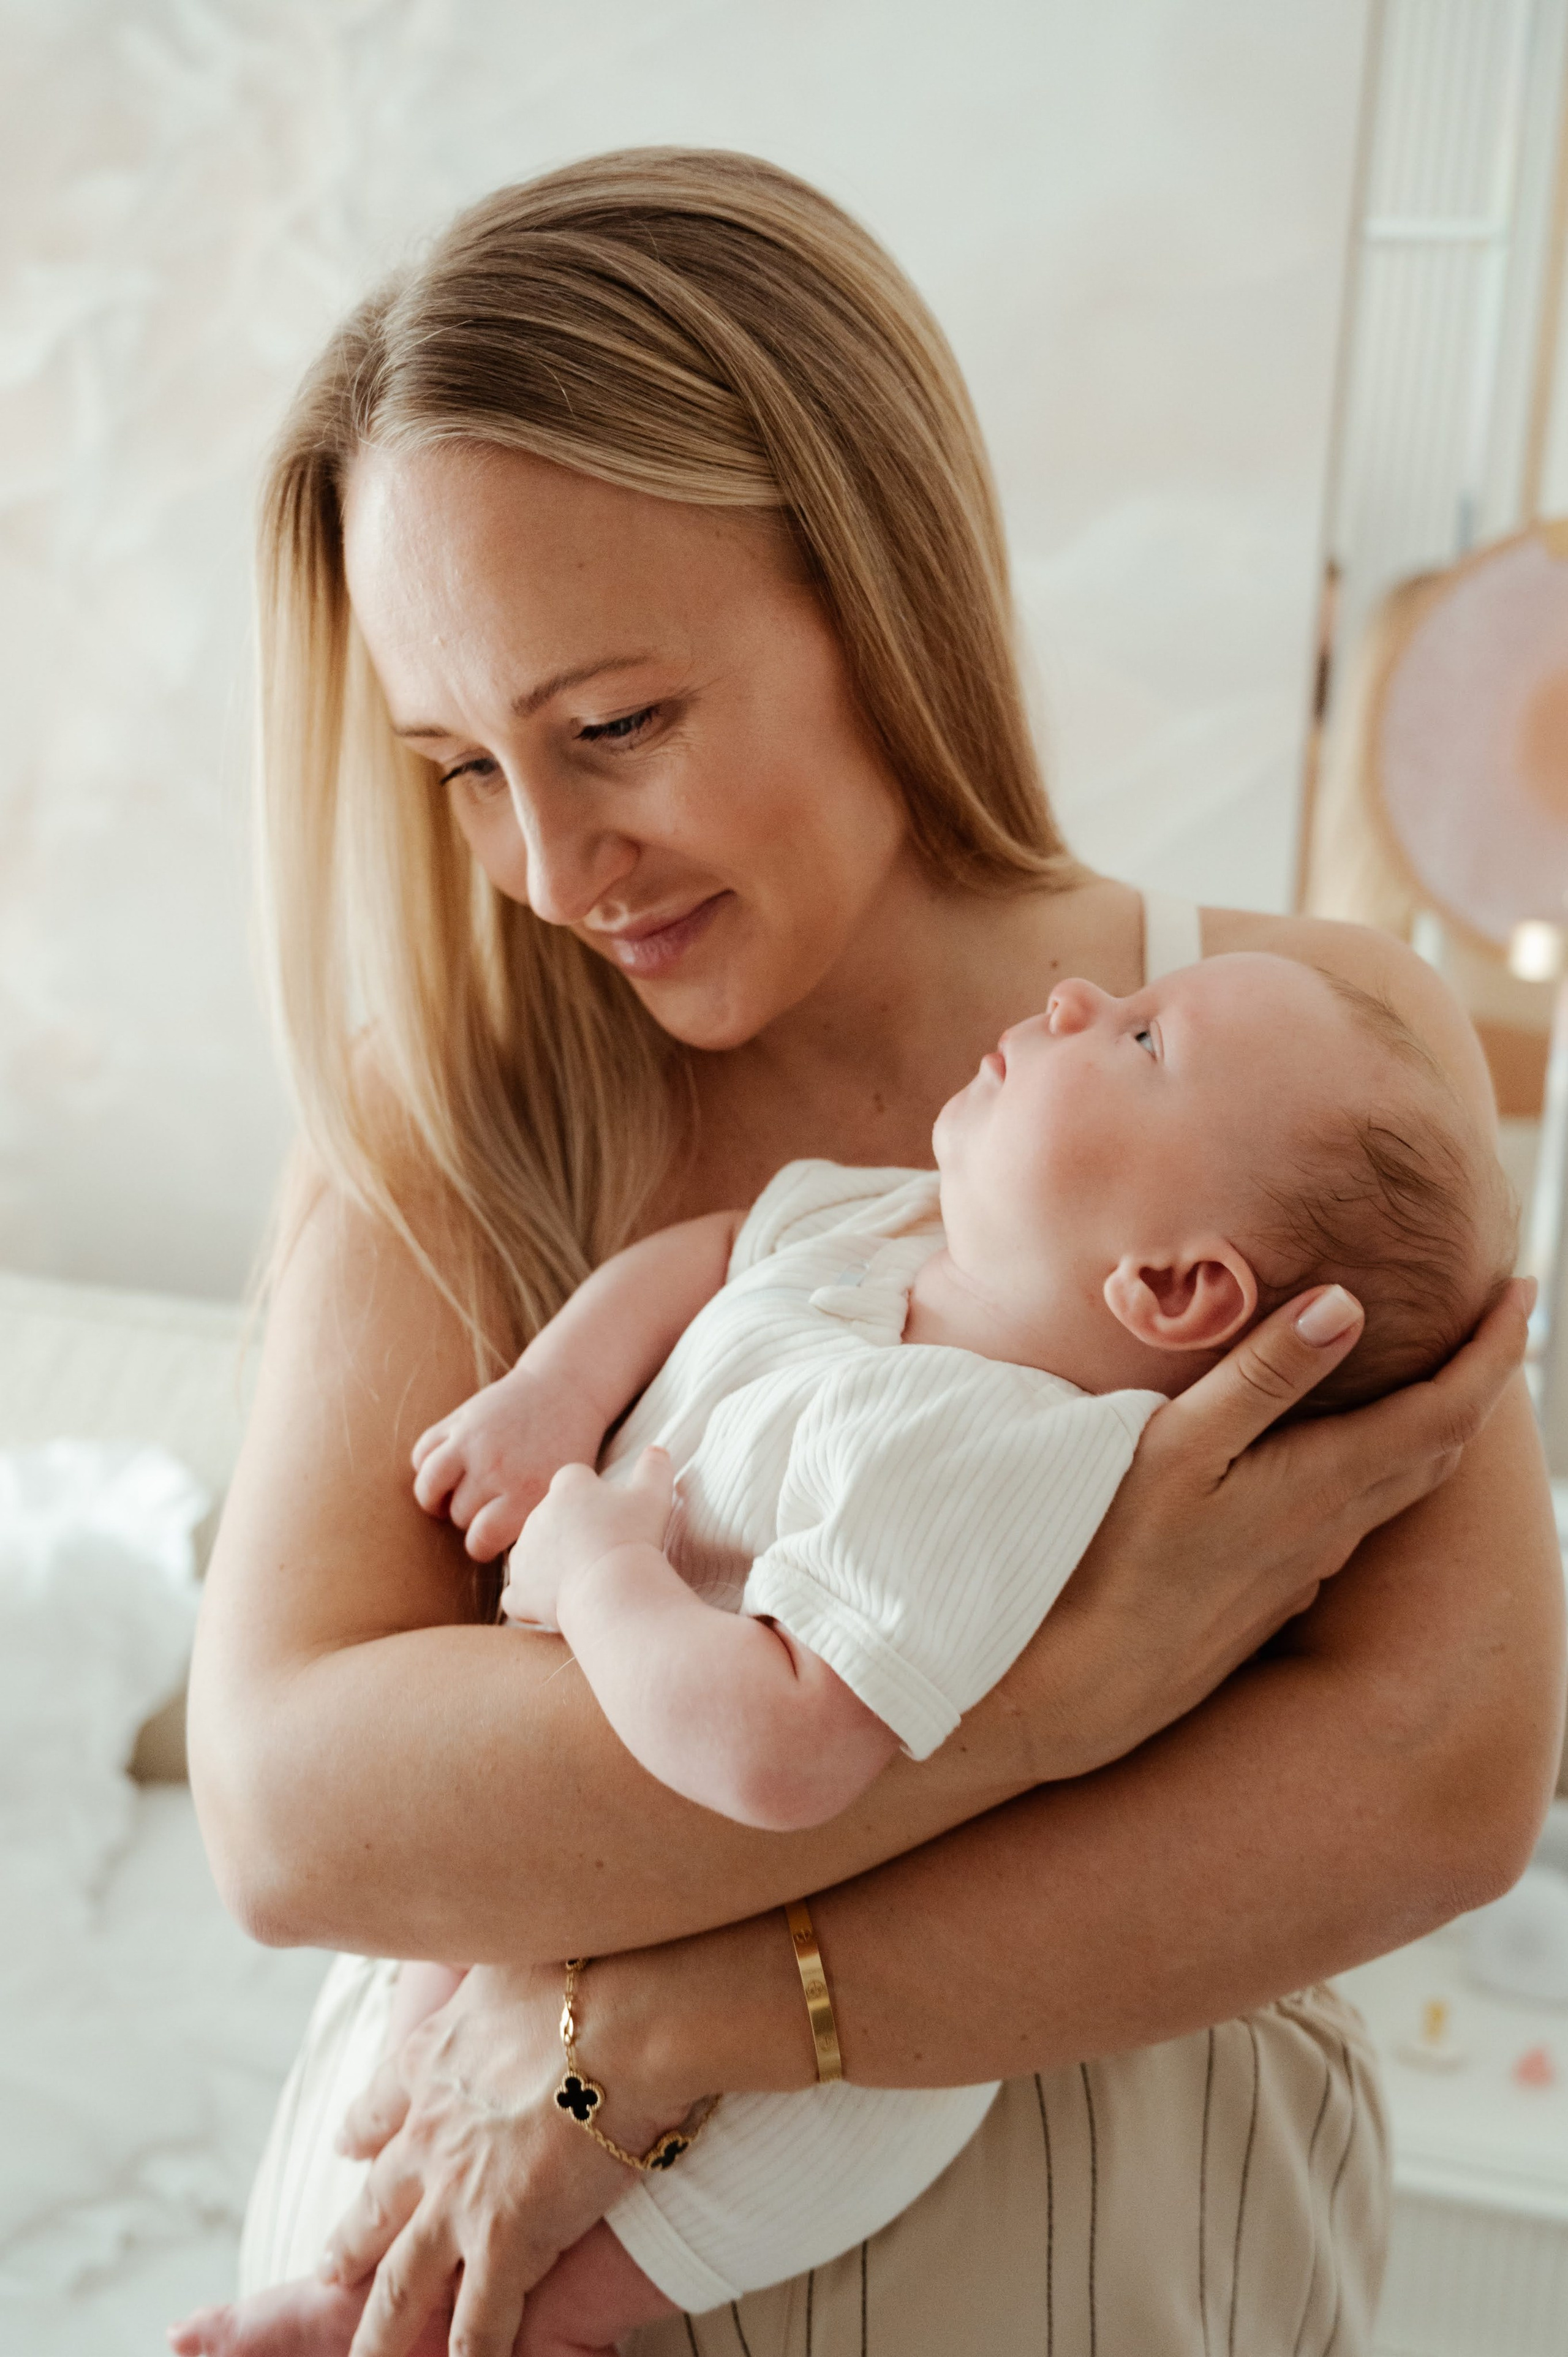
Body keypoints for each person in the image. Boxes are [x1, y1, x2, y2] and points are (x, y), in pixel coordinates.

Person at [182, 149, 1563, 2357]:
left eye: (616, 723)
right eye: (457, 763)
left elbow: (1436, 1776)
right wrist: (1060, 1691)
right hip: (472, 2239)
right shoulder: (450, 1122)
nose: (549, 863)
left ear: (879, 588)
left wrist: (667, 2017)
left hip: (1111, 2250)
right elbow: (289, 1808)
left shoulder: (1309, 1057)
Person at [173, 948, 1518, 2357]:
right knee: (429, 2044)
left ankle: (494, 2324)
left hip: (811, 2048)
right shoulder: (901, 1233)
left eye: (1136, 1040)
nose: (1070, 998)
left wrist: (605, 1572)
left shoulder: (984, 1451)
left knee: (677, 2210)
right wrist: (553, 1391)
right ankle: (356, 2280)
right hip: (552, 1865)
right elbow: (713, 1253)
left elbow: (782, 1745)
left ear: (1172, 1288)